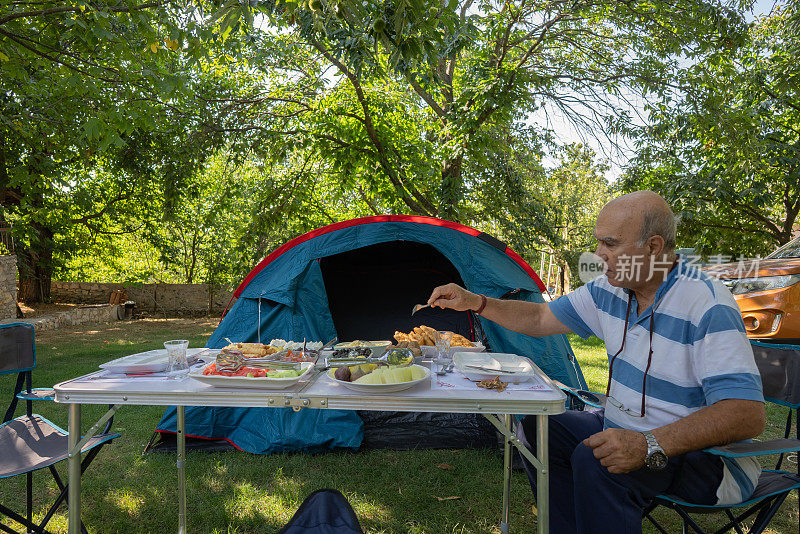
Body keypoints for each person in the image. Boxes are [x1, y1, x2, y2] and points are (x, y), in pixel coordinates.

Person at [427, 191, 765, 534]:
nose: (598, 255)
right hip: (623, 428)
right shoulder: (610, 289)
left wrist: (647, 443)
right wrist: (477, 302)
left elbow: (746, 413)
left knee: (596, 461)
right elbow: (541, 317)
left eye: (611, 243)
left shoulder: (707, 303)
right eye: (598, 242)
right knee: (538, 428)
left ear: (653, 247)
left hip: (708, 460)